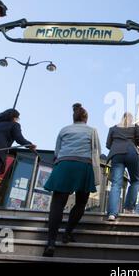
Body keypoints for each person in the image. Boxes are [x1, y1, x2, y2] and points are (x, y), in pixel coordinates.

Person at [43, 103, 101, 257]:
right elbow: (97, 151)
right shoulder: (92, 130)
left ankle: (50, 243)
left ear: (73, 117)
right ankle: (67, 233)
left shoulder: (64, 130)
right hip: (84, 166)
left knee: (57, 204)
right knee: (81, 202)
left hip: (64, 165)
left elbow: (57, 151)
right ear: (86, 118)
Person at [106, 112, 139, 221]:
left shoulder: (113, 128)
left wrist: (117, 145)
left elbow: (108, 144)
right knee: (135, 181)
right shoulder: (134, 127)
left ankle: (112, 213)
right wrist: (135, 142)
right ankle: (128, 208)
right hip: (131, 151)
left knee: (116, 184)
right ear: (130, 119)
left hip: (117, 154)